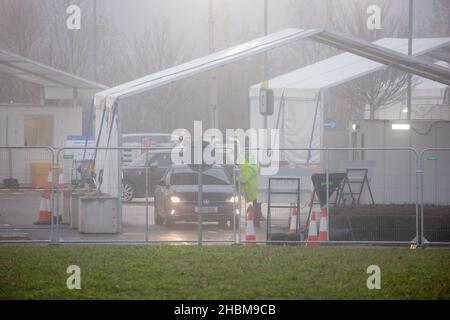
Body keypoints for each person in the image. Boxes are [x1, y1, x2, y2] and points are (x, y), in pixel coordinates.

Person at [239, 154, 264, 226]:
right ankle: (257, 221)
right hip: (259, 190)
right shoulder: (253, 167)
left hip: (255, 192)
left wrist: (235, 178)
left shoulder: (247, 169)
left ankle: (256, 222)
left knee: (256, 207)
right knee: (258, 206)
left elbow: (242, 179)